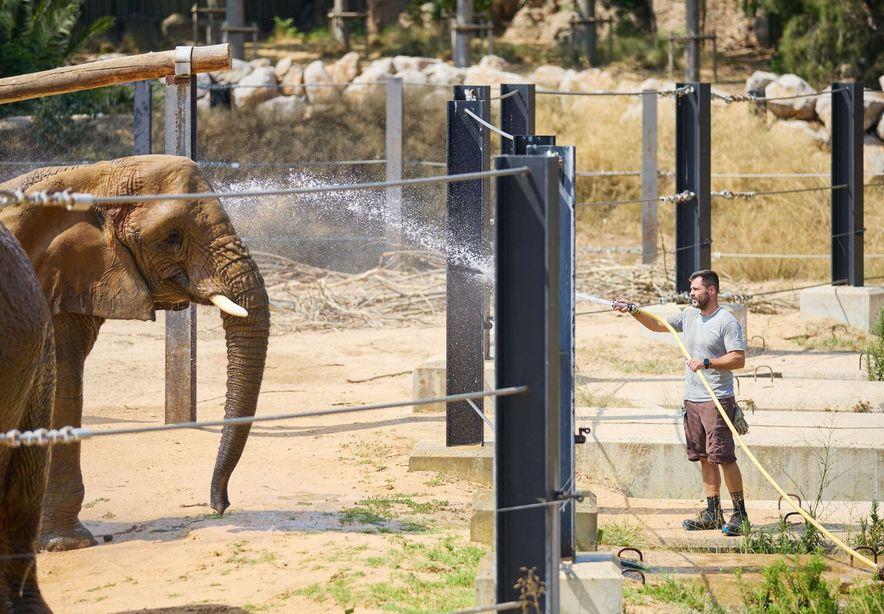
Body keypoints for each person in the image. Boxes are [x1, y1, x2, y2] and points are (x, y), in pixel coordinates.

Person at [614, 270, 748, 536]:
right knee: (703, 457)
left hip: (716, 400)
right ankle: (712, 512)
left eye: (696, 289)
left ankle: (740, 515)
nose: (691, 294)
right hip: (693, 400)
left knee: (723, 457)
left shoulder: (726, 322)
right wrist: (633, 310)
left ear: (711, 291)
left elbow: (738, 359)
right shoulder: (689, 316)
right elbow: (658, 324)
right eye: (691, 289)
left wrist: (708, 363)